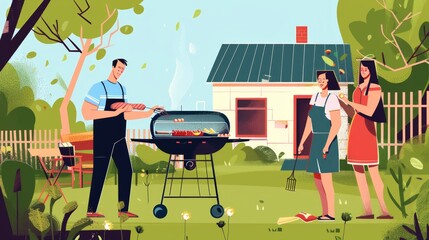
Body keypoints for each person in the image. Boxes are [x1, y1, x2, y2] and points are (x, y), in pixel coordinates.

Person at [82, 58, 163, 218]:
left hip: (118, 137)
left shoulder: (122, 89)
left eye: (123, 69)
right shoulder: (99, 88)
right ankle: (91, 210)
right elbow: (87, 113)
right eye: (118, 68)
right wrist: (114, 113)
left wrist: (148, 112)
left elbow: (125, 115)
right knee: (100, 172)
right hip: (103, 137)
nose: (120, 71)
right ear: (112, 67)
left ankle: (123, 210)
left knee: (126, 170)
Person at [338, 59, 393, 219]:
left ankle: (385, 210)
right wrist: (343, 103)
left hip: (367, 131)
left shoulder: (375, 88)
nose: (363, 71)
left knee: (373, 172)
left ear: (371, 70)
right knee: (358, 172)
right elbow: (355, 113)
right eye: (361, 68)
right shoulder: (358, 88)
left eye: (366, 68)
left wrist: (349, 101)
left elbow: (369, 111)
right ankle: (368, 211)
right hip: (355, 129)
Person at [298, 70, 341, 221]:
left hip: (327, 140)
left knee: (326, 180)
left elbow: (336, 124)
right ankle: (324, 212)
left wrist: (327, 144)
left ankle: (331, 213)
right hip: (316, 140)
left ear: (329, 81)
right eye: (319, 79)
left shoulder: (332, 99)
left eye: (323, 79)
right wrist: (302, 141)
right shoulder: (315, 97)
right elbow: (310, 121)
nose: (320, 81)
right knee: (317, 179)